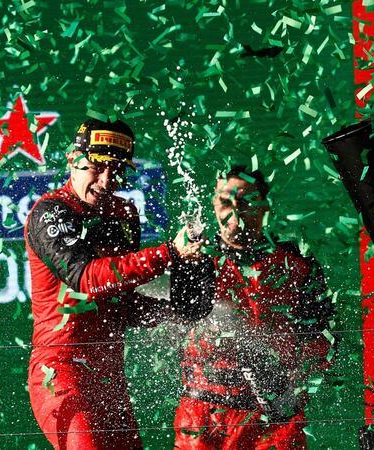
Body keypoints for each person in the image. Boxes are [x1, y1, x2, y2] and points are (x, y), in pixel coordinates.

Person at [24, 118, 202, 450]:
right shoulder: (49, 212)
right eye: (95, 167)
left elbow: (119, 304)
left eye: (117, 170)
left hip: (110, 378)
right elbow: (87, 279)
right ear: (71, 160)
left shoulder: (124, 214)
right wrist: (169, 253)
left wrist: (178, 314)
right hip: (60, 373)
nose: (107, 180)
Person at [170, 166, 335, 449]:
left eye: (246, 201)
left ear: (264, 205)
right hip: (203, 416)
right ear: (213, 205)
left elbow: (325, 340)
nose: (236, 210)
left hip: (273, 421)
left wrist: (293, 394)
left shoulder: (297, 264)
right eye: (225, 201)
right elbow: (173, 319)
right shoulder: (197, 260)